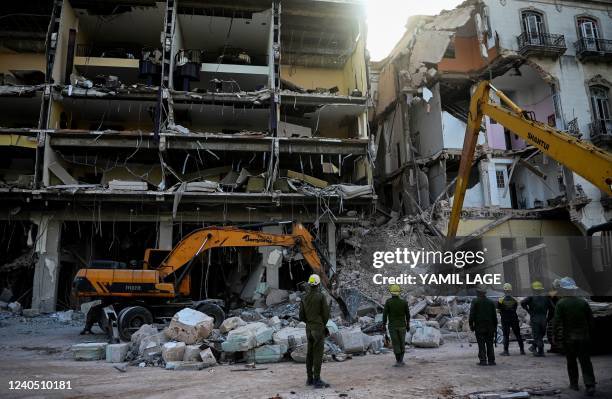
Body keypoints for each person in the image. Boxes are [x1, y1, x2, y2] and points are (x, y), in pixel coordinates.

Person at [553, 277, 596, 396]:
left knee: (571, 361)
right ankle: (590, 384)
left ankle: (574, 384)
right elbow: (591, 321)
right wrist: (590, 335)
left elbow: (557, 322)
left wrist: (555, 337)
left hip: (569, 338)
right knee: (586, 362)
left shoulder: (561, 304)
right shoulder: (583, 303)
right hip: (584, 337)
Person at [299, 274, 331, 388]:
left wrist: (309, 322)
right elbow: (326, 314)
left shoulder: (304, 297)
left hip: (308, 329)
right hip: (318, 328)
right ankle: (317, 380)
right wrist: (322, 324)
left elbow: (301, 316)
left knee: (310, 354)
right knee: (318, 354)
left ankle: (309, 379)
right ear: (318, 284)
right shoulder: (321, 296)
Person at [521, 280, 554, 357]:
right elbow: (552, 308)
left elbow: (522, 303)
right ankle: (538, 349)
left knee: (537, 336)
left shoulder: (531, 297)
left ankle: (538, 350)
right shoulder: (546, 298)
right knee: (540, 335)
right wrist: (548, 318)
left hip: (535, 318)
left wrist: (529, 311)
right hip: (543, 319)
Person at [382, 284, 410, 367]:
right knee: (402, 343)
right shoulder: (404, 302)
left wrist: (383, 325)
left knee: (396, 343)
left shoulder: (388, 302)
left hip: (392, 327)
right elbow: (408, 315)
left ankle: (398, 361)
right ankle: (401, 360)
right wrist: (408, 325)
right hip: (402, 326)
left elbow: (384, 315)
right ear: (399, 293)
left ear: (391, 292)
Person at [469, 286, 498, 366]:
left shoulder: (475, 301)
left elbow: (472, 315)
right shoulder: (490, 302)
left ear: (478, 293)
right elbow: (494, 316)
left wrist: (471, 325)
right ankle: (491, 360)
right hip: (490, 327)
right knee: (490, 344)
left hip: (479, 327)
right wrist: (495, 326)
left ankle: (483, 360)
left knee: (481, 344)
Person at [497, 283, 525, 356]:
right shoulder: (515, 299)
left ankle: (506, 351)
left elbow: (498, 310)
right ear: (511, 290)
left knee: (506, 335)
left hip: (505, 319)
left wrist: (503, 314)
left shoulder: (500, 300)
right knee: (518, 334)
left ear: (504, 290)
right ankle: (522, 350)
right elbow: (515, 308)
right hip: (514, 318)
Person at [547, 279, 562, 353]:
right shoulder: (558, 292)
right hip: (556, 312)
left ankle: (554, 347)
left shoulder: (554, 292)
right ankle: (554, 347)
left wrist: (555, 308)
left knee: (552, 330)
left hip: (554, 313)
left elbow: (549, 299)